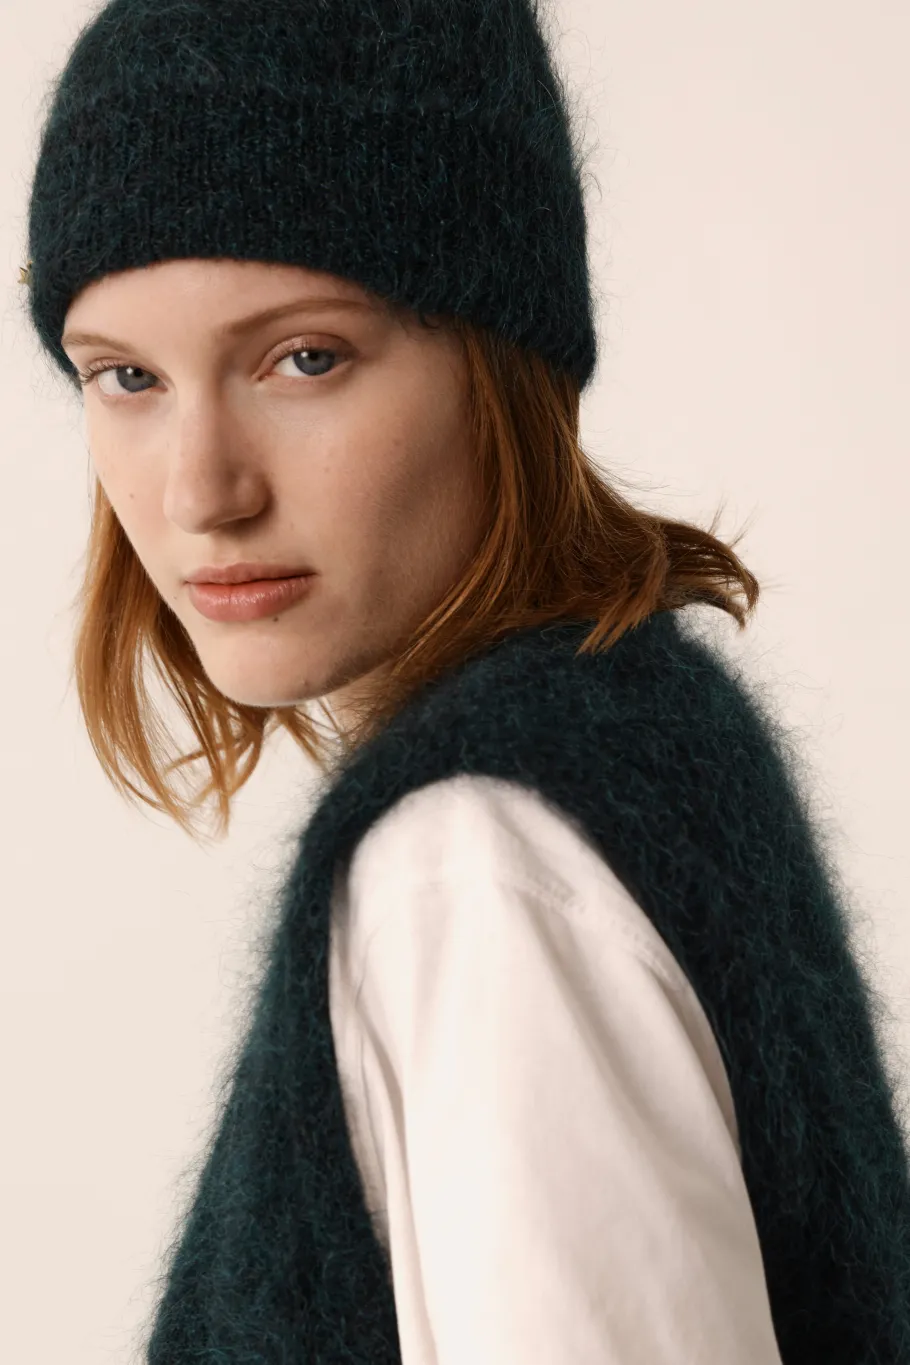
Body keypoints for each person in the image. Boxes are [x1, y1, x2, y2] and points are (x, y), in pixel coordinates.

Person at [20, 1, 910, 1362]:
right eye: (126, 376)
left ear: (502, 361)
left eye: (305, 357)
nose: (202, 490)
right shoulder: (635, 733)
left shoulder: (473, 868)